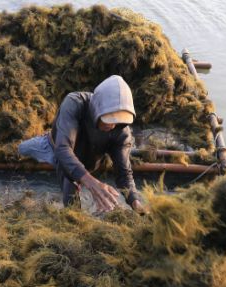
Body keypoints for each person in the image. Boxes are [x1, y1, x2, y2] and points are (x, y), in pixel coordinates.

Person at [19, 75, 147, 214]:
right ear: (97, 108)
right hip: (55, 146)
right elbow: (63, 150)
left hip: (91, 158)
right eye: (108, 119)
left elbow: (124, 173)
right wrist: (92, 184)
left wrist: (136, 204)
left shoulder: (121, 132)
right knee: (20, 149)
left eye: (117, 122)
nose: (112, 125)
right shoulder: (75, 103)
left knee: (72, 209)